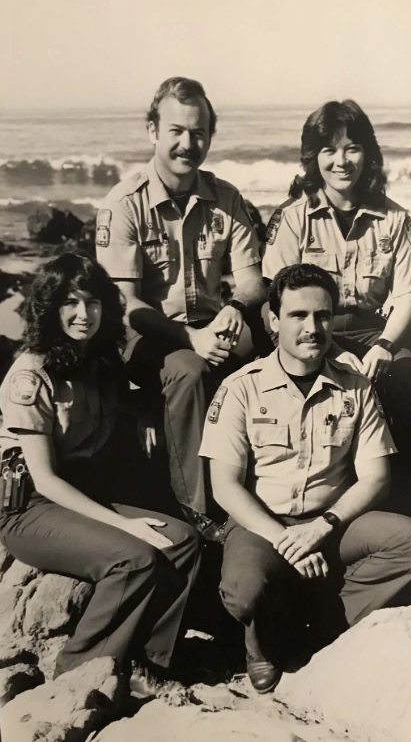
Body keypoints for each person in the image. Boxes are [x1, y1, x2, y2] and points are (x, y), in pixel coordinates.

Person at [200, 264, 411, 693]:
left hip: (333, 521)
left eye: (322, 315)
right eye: (297, 316)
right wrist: (284, 539)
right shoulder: (241, 388)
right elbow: (226, 486)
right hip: (263, 524)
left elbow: (375, 477)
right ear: (273, 321)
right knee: (243, 589)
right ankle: (262, 643)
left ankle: (325, 628)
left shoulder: (355, 387)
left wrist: (322, 527)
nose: (312, 328)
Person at [0, 253, 201, 692]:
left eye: (92, 302)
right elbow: (46, 478)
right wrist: (125, 523)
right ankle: (78, 674)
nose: (82, 314)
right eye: (69, 302)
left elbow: (118, 402)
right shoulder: (31, 374)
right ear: (50, 308)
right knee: (135, 557)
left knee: (183, 540)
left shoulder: (101, 360)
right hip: (31, 508)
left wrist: (144, 410)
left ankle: (148, 665)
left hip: (84, 493)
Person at [96, 77, 266, 538]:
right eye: (176, 131)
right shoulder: (124, 204)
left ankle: (275, 480)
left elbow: (252, 281)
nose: (187, 144)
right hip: (144, 335)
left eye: (199, 133)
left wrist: (235, 309)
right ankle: (199, 510)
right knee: (190, 370)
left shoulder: (226, 198)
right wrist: (193, 338)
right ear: (153, 130)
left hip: (212, 322)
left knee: (270, 343)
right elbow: (127, 304)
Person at [262, 99, 411, 450]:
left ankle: (406, 481)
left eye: (352, 149)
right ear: (314, 158)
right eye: (329, 150)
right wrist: (331, 350)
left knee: (410, 378)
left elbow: (408, 295)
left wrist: (386, 345)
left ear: (367, 154)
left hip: (373, 334)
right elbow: (276, 305)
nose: (341, 162)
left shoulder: (394, 219)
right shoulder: (293, 218)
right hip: (307, 330)